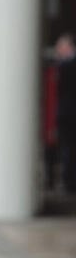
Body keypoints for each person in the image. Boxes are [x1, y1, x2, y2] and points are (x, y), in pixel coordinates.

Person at [55, 33, 76, 193]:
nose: (57, 49)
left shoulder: (65, 66)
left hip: (68, 113)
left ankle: (68, 181)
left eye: (60, 46)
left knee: (67, 148)